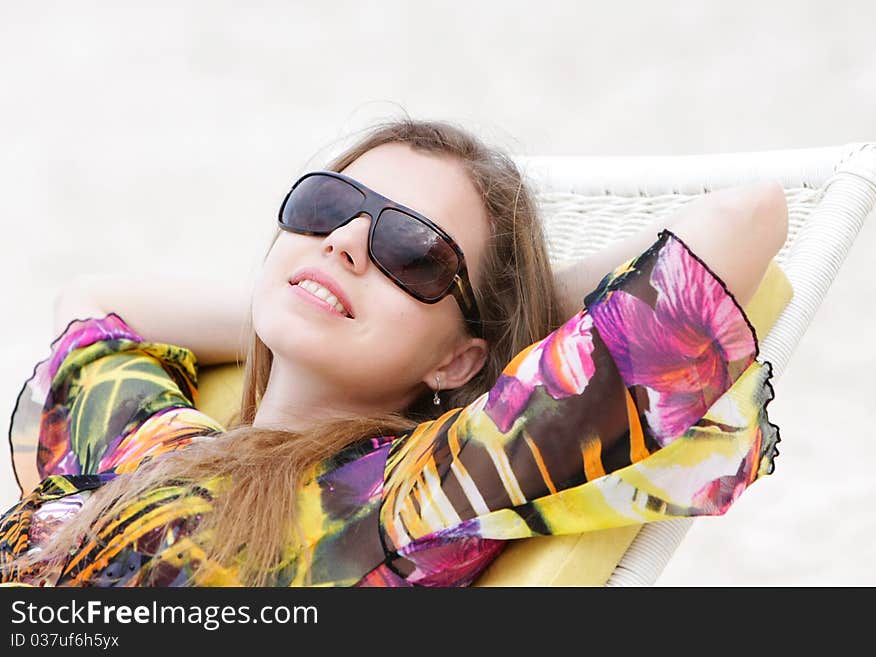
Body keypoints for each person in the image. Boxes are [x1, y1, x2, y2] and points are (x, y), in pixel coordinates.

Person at [0, 117, 786, 587]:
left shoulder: (408, 493)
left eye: (414, 254)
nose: (343, 242)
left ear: (455, 362)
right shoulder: (161, 443)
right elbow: (93, 303)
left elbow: (745, 219)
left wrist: (516, 317)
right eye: (327, 206)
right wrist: (298, 298)